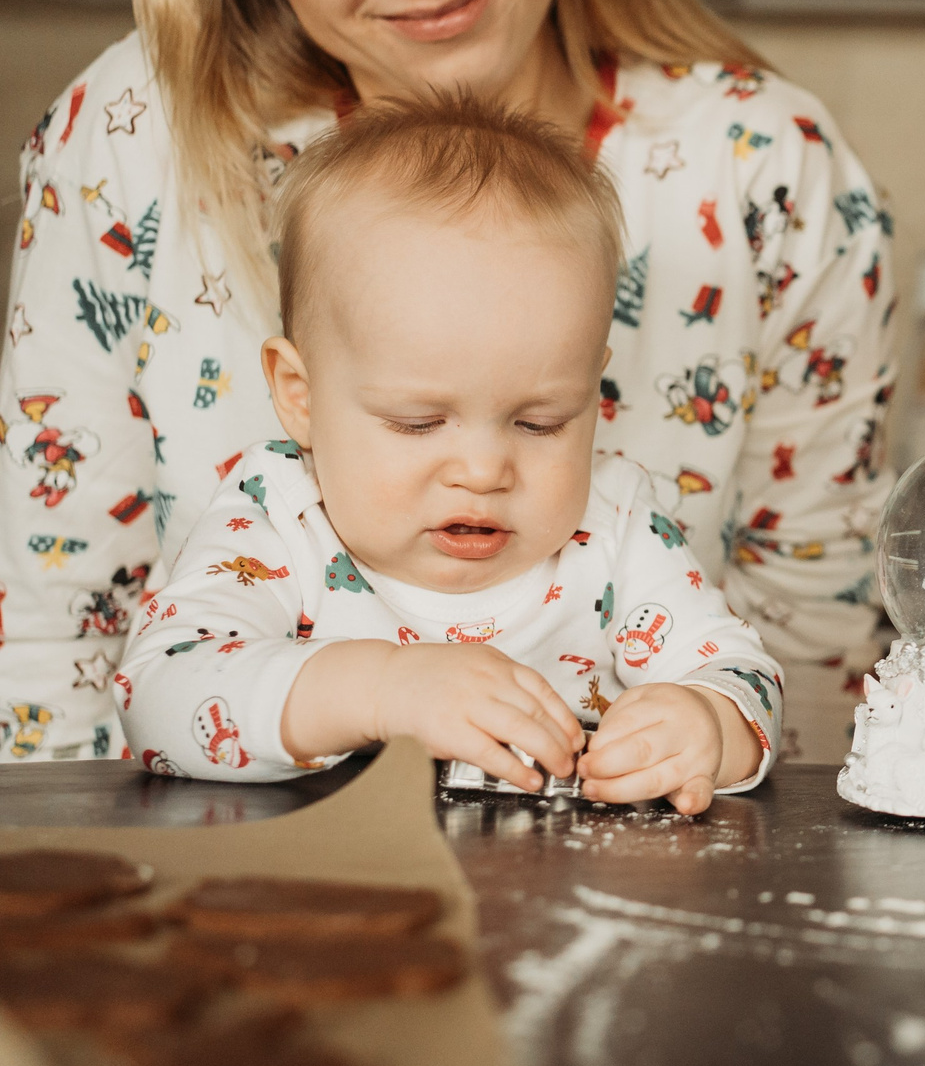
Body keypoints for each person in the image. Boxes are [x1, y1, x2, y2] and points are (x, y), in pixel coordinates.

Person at [2, 0, 894, 766]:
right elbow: (51, 630)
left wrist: (707, 743)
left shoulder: (767, 172)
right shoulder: (136, 133)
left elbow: (813, 647)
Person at [117, 97, 779, 812]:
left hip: (564, 903)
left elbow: (743, 672)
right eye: (418, 421)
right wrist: (380, 688)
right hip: (329, 892)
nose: (483, 470)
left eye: (540, 422)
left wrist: (707, 722)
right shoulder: (277, 511)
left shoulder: (615, 521)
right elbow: (157, 694)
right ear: (301, 395)